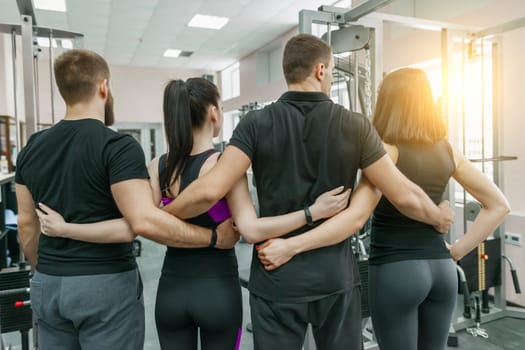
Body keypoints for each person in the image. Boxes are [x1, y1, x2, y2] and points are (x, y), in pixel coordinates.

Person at [158, 34, 454, 350]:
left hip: (276, 278)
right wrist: (438, 217)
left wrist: (159, 216)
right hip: (334, 279)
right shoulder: (355, 125)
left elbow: (210, 190)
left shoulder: (255, 123)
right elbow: (403, 194)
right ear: (321, 70)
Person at [37, 77, 350, 350]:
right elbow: (248, 226)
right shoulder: (226, 166)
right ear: (214, 112)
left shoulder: (157, 165)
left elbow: (144, 221)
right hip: (219, 296)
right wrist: (311, 211)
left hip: (170, 295)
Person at [15, 49, 239, 350]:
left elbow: (27, 224)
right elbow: (141, 221)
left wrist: (48, 269)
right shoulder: (117, 146)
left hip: (48, 282)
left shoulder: (31, 147)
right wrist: (213, 237)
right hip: (104, 283)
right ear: (104, 87)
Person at [366, 68, 510, 350]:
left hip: (396, 269)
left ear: (387, 104)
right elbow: (499, 206)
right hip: (442, 271)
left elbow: (357, 209)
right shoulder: (447, 151)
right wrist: (456, 251)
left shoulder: (385, 151)